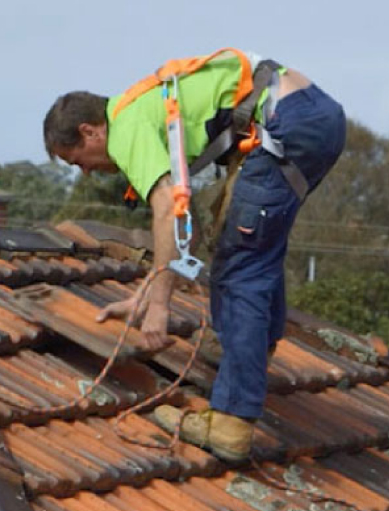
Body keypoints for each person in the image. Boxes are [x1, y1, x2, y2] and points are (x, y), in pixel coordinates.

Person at [43, 48, 345, 462]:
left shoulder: (126, 127)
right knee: (249, 244)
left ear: (90, 131)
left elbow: (167, 209)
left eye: (78, 161)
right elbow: (190, 226)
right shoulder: (141, 109)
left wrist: (160, 307)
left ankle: (232, 422)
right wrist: (149, 291)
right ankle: (252, 348)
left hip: (285, 122)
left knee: (242, 266)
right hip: (309, 116)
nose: (87, 172)